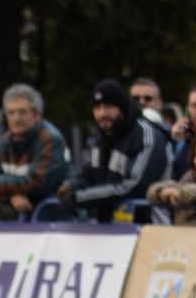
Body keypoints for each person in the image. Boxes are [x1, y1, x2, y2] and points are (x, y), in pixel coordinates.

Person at [60, 79, 170, 224]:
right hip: (110, 229)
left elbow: (134, 186)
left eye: (109, 106)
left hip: (148, 228)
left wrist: (79, 197)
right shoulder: (98, 138)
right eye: (97, 107)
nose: (102, 113)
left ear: (121, 107)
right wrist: (70, 187)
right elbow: (88, 174)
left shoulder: (146, 135)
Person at [0, 84, 72, 218]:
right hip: (25, 219)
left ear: (37, 115)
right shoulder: (4, 142)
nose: (16, 118)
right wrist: (12, 195)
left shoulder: (50, 139)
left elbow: (35, 183)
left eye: (22, 112)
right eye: (11, 113)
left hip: (56, 219)